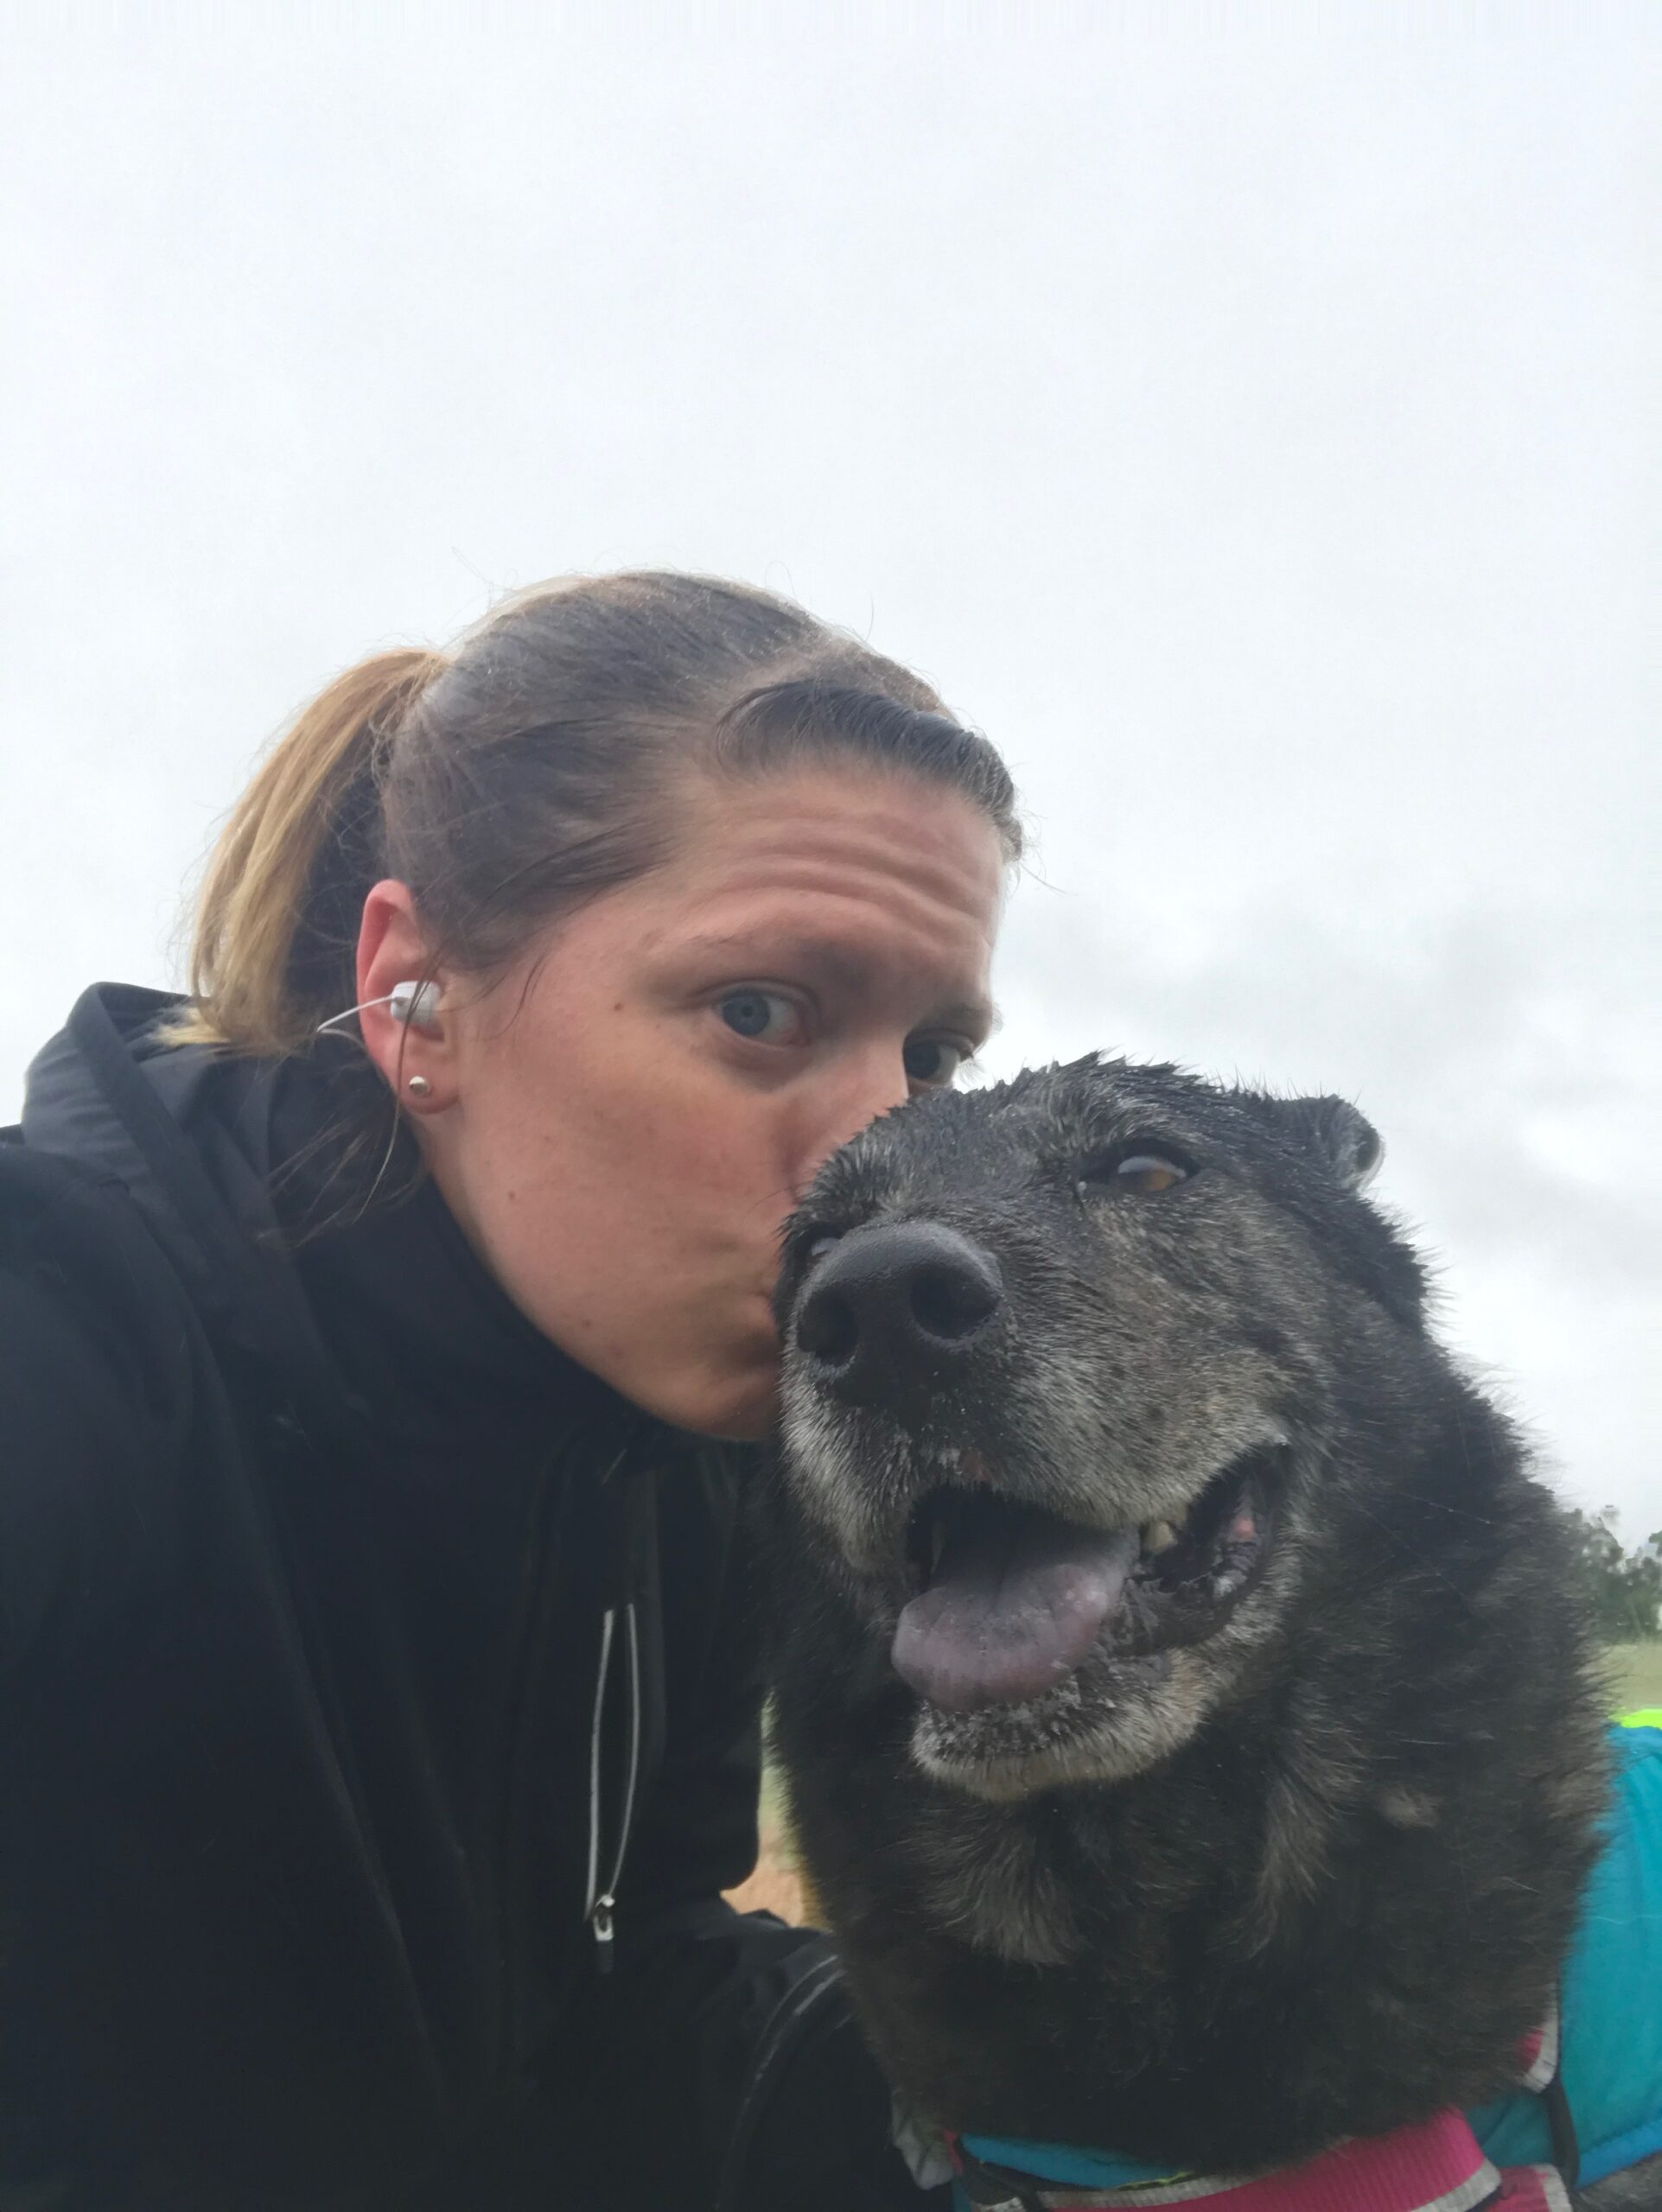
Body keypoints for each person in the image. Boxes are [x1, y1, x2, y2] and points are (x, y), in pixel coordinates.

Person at [0, 572, 1018, 2211]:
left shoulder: (679, 1450)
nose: (894, 1162)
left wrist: (1043, 2088)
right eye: (760, 1012)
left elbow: (624, 2008)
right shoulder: (65, 1336)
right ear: (420, 996)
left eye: (931, 1057)